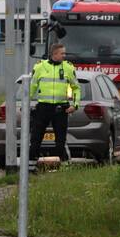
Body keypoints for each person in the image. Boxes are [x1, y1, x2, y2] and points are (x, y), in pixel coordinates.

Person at [27, 43, 81, 173]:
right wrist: (25, 103)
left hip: (60, 108)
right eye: (62, 53)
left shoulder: (68, 68)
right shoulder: (40, 67)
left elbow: (76, 88)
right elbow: (31, 88)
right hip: (43, 108)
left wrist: (75, 105)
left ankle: (65, 166)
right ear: (54, 54)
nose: (64, 55)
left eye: (64, 53)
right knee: (36, 138)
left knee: (60, 140)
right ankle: (31, 167)